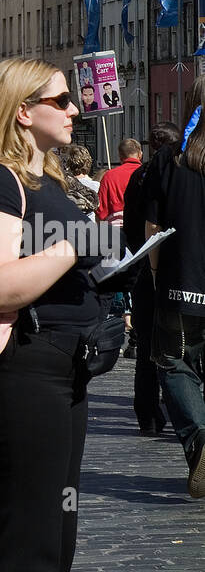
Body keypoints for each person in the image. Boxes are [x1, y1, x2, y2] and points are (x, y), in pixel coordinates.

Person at [0, 58, 110, 572]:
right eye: (62, 101)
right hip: (23, 371)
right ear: (24, 112)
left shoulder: (47, 180)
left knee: (53, 537)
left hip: (64, 370)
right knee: (26, 541)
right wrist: (74, 247)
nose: (75, 109)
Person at [144, 93, 205, 495]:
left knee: (174, 363)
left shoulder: (168, 161)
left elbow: (152, 229)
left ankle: (200, 436)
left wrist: (154, 275)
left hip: (182, 284)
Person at [123, 122, 180, 434]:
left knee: (146, 344)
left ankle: (146, 410)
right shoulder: (169, 177)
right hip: (164, 267)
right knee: (173, 344)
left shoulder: (138, 176)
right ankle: (170, 408)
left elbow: (132, 221)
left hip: (141, 263)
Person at [96, 138, 142, 224]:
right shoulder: (147, 173)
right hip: (141, 226)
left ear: (120, 156)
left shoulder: (109, 176)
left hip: (115, 228)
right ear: (140, 155)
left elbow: (100, 210)